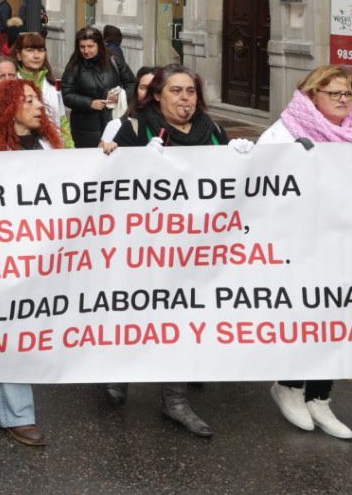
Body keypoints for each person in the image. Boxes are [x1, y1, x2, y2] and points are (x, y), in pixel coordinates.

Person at [100, 63, 231, 438]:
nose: (185, 98)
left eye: (190, 91)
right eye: (176, 91)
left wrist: (244, 159)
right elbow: (107, 183)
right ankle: (120, 372)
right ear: (157, 95)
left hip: (196, 248)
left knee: (182, 321)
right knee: (138, 312)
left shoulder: (212, 130)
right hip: (146, 246)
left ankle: (175, 402)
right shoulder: (135, 127)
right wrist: (114, 154)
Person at [258, 64, 352, 441]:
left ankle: (320, 397)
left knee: (338, 316)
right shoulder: (284, 132)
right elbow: (259, 184)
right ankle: (289, 387)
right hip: (299, 243)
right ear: (313, 95)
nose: (344, 100)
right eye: (335, 93)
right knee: (305, 316)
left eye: (349, 93)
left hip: (345, 240)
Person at [0, 78, 63, 447]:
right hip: (4, 260)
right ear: (9, 109)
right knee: (11, 331)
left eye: (38, 100)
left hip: (45, 257)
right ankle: (19, 414)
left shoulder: (50, 148)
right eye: (29, 101)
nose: (39, 106)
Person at [61, 26, 125, 149]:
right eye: (82, 47)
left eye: (90, 46)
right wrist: (89, 103)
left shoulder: (114, 60)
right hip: (84, 128)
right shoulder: (74, 66)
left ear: (99, 45)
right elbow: (67, 95)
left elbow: (131, 84)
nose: (86, 51)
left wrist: (120, 97)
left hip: (113, 121)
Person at [12, 33, 67, 145]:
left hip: (52, 147)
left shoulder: (53, 84)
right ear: (19, 55)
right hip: (20, 147)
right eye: (30, 50)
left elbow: (62, 120)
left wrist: (69, 147)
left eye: (41, 50)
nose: (36, 56)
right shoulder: (12, 83)